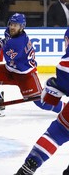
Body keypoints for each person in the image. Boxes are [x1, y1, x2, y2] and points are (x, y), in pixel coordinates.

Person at [0, 13, 65, 117]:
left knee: (42, 102)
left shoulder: (19, 42)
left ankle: (66, 109)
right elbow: (2, 43)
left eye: (15, 25)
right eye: (11, 24)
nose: (12, 27)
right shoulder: (9, 33)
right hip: (10, 70)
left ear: (21, 27)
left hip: (26, 76)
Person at [14, 28, 69, 175]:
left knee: (57, 133)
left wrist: (51, 87)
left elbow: (50, 100)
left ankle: (27, 169)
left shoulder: (65, 65)